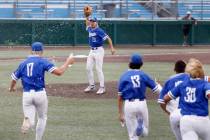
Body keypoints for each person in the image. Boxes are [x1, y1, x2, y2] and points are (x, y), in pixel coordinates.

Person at [9, 42, 74, 140]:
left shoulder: (23, 63)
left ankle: (29, 122)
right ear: (42, 51)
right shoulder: (43, 61)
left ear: (31, 51)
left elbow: (14, 79)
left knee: (30, 119)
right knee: (42, 118)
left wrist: (12, 88)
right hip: (40, 94)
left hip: (27, 95)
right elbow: (59, 72)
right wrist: (68, 62)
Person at [118, 53, 162, 140]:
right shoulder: (143, 75)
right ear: (141, 64)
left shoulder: (124, 76)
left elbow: (120, 97)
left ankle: (139, 128)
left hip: (129, 105)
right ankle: (141, 127)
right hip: (142, 104)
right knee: (145, 133)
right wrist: (159, 85)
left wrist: (120, 114)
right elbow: (158, 91)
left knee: (133, 136)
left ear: (129, 63)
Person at [164, 59, 210, 140]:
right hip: (202, 121)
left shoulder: (182, 84)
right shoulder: (204, 84)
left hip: (186, 121)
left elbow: (166, 98)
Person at [84, 16, 116, 95]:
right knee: (88, 68)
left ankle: (102, 87)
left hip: (99, 51)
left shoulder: (99, 30)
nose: (91, 22)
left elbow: (108, 38)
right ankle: (92, 85)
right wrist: (86, 16)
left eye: (93, 21)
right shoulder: (90, 28)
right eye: (91, 21)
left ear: (96, 22)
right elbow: (87, 24)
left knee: (98, 69)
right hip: (91, 51)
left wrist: (112, 48)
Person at [158, 60, 188, 140]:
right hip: (189, 113)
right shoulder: (191, 78)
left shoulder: (169, 81)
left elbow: (162, 102)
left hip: (175, 114)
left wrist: (169, 112)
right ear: (185, 69)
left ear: (174, 69)